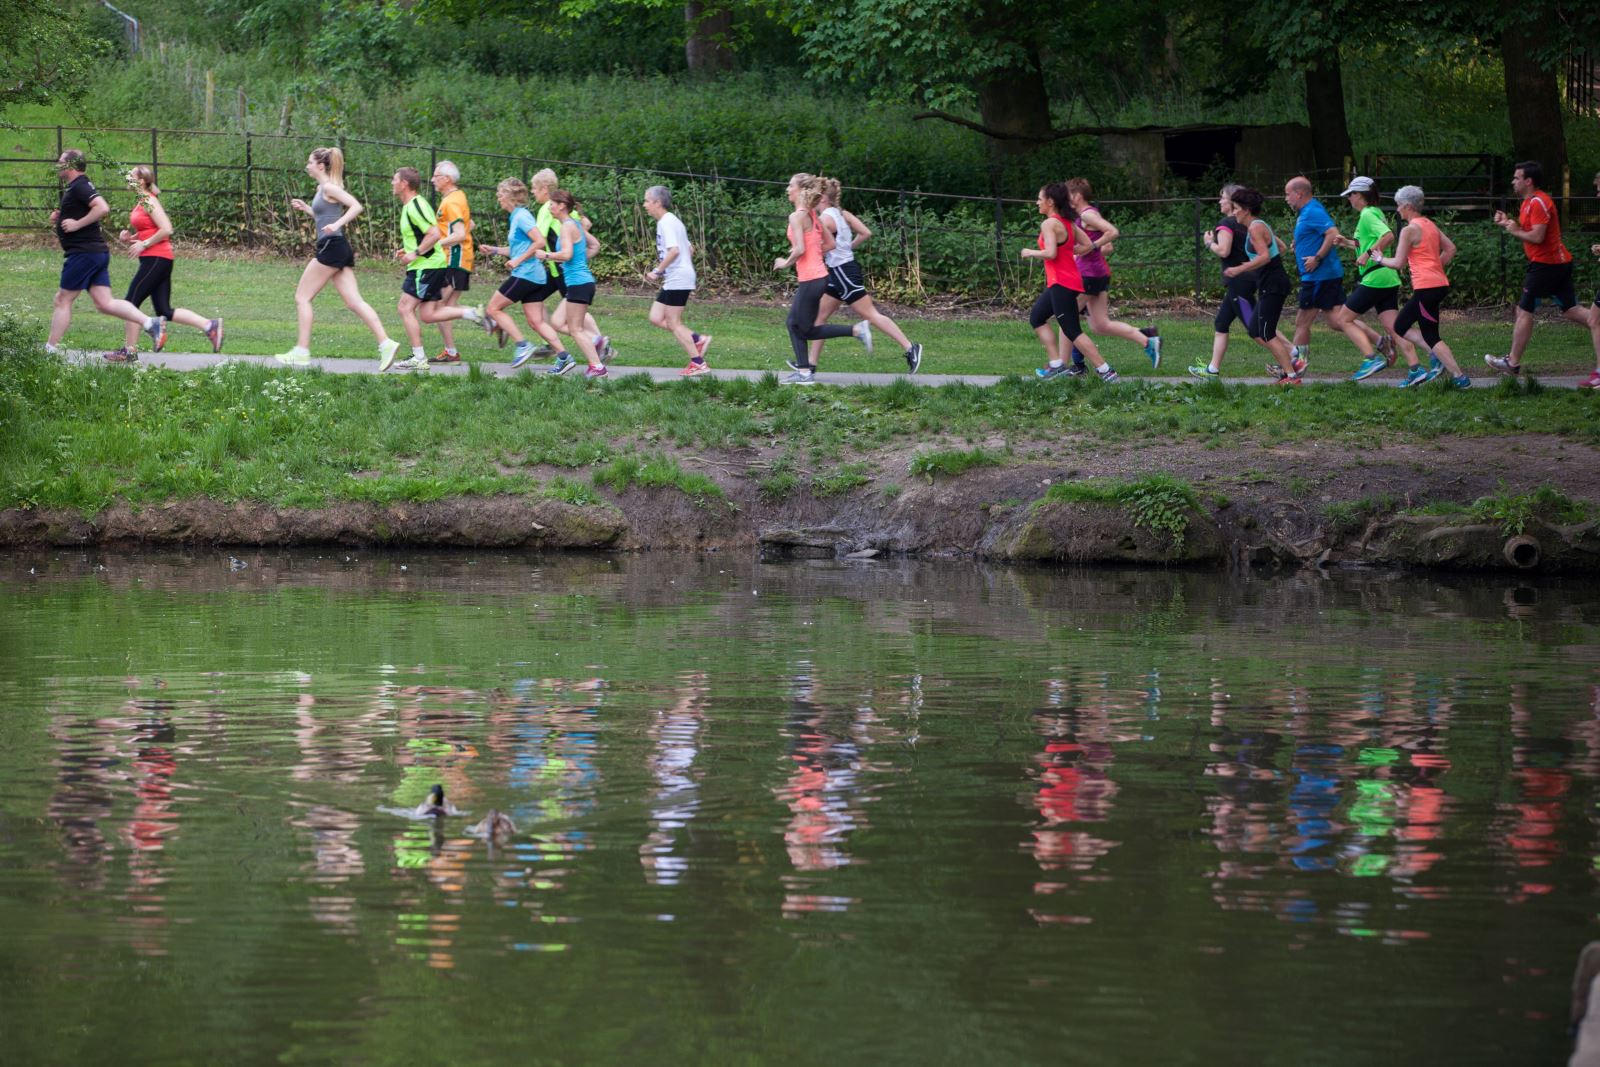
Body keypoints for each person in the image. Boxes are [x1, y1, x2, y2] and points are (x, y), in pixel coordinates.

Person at [274, 147, 400, 367]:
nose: (307, 166)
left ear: (320, 166)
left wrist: (338, 224)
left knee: (302, 298)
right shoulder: (322, 188)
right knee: (354, 302)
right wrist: (307, 210)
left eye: (309, 162)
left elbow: (356, 206)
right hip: (337, 246)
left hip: (331, 247)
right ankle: (386, 343)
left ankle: (301, 351)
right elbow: (325, 218)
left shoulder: (330, 187)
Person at [44, 149, 168, 358]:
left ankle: (49, 350)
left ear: (71, 166)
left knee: (62, 299)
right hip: (95, 253)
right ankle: (151, 323)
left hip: (84, 254)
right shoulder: (78, 187)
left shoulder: (81, 186)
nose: (57, 165)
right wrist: (63, 217)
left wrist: (76, 224)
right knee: (105, 303)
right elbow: (86, 210)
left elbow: (102, 207)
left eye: (61, 162)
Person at [1486, 160, 1600, 378]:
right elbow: (1527, 231)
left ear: (1528, 181)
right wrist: (1508, 223)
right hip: (1553, 263)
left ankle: (1512, 362)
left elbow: (1537, 237)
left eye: (1516, 178)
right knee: (1570, 309)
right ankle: (1598, 325)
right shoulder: (1528, 202)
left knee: (1524, 309)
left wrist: (1514, 231)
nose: (1513, 181)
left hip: (1547, 265)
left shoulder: (1538, 202)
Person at [803, 177, 923, 375]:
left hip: (843, 272)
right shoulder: (842, 214)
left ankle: (911, 348)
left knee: (870, 314)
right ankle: (810, 364)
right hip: (840, 271)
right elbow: (865, 233)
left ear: (823, 197)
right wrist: (847, 248)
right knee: (820, 316)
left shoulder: (826, 218)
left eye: (815, 194)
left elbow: (819, 245)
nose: (812, 198)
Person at [105, 165, 222, 362]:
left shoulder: (149, 200)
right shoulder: (142, 201)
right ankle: (210, 326)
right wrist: (131, 238)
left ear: (141, 181)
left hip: (157, 258)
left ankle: (129, 351)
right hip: (159, 258)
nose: (127, 179)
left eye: (131, 176)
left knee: (129, 303)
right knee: (163, 310)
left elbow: (167, 229)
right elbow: (149, 230)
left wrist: (144, 243)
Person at [772, 173, 870, 385]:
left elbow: (799, 249)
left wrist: (784, 262)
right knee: (798, 325)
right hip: (819, 277)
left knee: (798, 325)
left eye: (790, 186)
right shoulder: (812, 216)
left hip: (812, 278)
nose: (787, 189)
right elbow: (830, 245)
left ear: (800, 190)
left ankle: (855, 332)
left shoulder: (797, 216)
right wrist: (810, 252)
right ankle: (805, 370)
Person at [1369, 185, 1470, 389]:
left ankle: (1459, 377)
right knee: (1404, 326)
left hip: (1427, 289)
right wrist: (1434, 269)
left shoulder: (1409, 230)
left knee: (1420, 332)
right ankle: (1445, 365)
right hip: (1437, 285)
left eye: (1398, 206)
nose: (1397, 210)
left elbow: (1398, 263)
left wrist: (1380, 259)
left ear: (1407, 206)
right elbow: (1450, 249)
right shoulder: (1429, 225)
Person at [1063, 178, 1160, 373]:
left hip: (1090, 275)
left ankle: (1061, 366)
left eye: (1068, 194)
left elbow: (1112, 232)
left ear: (1077, 195)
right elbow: (1105, 245)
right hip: (1097, 273)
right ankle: (1148, 341)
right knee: (1100, 325)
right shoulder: (1085, 215)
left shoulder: (1087, 215)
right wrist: (1083, 251)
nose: (1065, 198)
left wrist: (1091, 247)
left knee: (1064, 316)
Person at [1023, 182, 1116, 383]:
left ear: (1050, 202)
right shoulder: (1068, 223)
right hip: (1065, 281)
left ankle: (1105, 371)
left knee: (1072, 330)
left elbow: (1050, 253)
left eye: (1039, 199)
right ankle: (1057, 364)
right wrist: (1072, 252)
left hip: (1062, 283)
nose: (1037, 202)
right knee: (1037, 317)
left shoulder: (1049, 224)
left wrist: (1030, 252)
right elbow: (1086, 245)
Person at [1330, 176, 1421, 382]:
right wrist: (1347, 243)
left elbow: (1388, 236)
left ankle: (1370, 359)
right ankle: (1416, 367)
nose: (1349, 200)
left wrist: (1367, 253)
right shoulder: (1376, 212)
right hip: (1387, 278)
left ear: (1361, 195)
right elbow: (1368, 242)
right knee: (1394, 328)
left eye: (1351, 195)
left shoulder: (1367, 214)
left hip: (1375, 279)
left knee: (1342, 319)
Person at [1284, 175, 1379, 369]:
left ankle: (1297, 365)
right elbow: (1316, 234)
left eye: (1288, 194)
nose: (1286, 198)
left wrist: (1317, 257)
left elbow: (1332, 233)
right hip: (1324, 275)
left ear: (1299, 193)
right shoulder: (1306, 211)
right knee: (1338, 321)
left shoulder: (1312, 211)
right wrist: (1299, 243)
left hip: (1319, 276)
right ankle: (1381, 342)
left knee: (1302, 321)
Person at [477, 178, 567, 370]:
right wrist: (494, 250)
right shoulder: (517, 216)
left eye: (500, 194)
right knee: (536, 321)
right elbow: (518, 248)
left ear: (510, 197)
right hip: (535, 276)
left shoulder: (521, 216)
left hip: (526, 274)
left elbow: (540, 241)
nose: (498, 198)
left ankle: (523, 345)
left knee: (493, 309)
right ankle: (564, 356)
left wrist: (518, 261)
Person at [1223, 186, 1301, 385]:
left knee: (1267, 332)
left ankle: (1291, 376)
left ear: (1246, 210)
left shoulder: (1255, 228)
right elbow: (1280, 248)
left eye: (1236, 208)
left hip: (1273, 285)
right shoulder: (1259, 225)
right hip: (1269, 282)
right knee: (1255, 330)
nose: (1234, 212)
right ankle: (1290, 369)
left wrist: (1239, 269)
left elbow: (1264, 256)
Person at [1189, 184, 1269, 378]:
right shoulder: (1247, 223)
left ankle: (1292, 355)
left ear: (1233, 201)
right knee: (1221, 323)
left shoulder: (1227, 223)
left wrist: (1210, 243)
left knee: (1256, 329)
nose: (1219, 201)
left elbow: (1223, 250)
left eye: (1222, 197)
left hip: (1238, 281)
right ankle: (1212, 369)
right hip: (1245, 279)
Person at [530, 168, 608, 361]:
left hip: (563, 269)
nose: (532, 192)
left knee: (573, 317)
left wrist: (524, 255)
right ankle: (592, 342)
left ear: (545, 189)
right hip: (559, 269)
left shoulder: (550, 210)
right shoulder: (564, 212)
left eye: (534, 188)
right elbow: (587, 227)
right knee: (537, 298)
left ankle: (598, 342)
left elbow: (536, 238)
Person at [642, 185, 713, 377]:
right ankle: (697, 339)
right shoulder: (673, 221)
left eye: (647, 201)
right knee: (656, 317)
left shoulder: (666, 222)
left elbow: (675, 250)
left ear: (657, 202)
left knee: (673, 322)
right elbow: (689, 249)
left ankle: (698, 363)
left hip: (678, 278)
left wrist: (658, 270)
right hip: (676, 277)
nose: (645, 205)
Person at [425, 161, 490, 364]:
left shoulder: (451, 202)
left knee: (435, 308)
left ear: (447, 179)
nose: (432, 179)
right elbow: (470, 223)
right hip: (461, 259)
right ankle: (452, 352)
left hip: (454, 260)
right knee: (446, 307)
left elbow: (460, 233)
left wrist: (432, 245)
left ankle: (479, 315)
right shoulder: (458, 197)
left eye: (436, 176)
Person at [388, 166, 448, 372]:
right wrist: (408, 249)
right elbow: (423, 235)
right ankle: (471, 313)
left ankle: (419, 358)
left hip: (427, 265)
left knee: (405, 307)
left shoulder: (415, 205)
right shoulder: (409, 206)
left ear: (404, 184)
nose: (392, 183)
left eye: (394, 180)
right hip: (425, 264)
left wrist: (415, 253)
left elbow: (434, 233)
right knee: (427, 313)